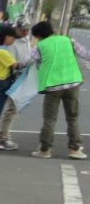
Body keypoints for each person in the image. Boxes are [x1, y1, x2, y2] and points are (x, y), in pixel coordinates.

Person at [28, 20, 87, 159]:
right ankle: (75, 149)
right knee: (72, 118)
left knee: (50, 118)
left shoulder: (40, 46)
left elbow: (27, 61)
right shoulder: (69, 40)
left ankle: (45, 150)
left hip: (52, 86)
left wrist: (16, 66)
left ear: (39, 36)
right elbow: (86, 54)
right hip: (73, 83)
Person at [0, 19, 35, 150]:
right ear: (17, 29)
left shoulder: (27, 40)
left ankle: (1, 135)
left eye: (28, 29)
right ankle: (2, 137)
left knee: (14, 109)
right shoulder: (12, 43)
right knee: (11, 109)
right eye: (24, 29)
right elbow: (14, 64)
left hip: (21, 76)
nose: (26, 32)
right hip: (12, 78)